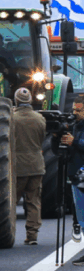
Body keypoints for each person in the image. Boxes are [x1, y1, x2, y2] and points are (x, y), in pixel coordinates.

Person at [12, 87, 46, 246]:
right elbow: (42, 139)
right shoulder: (40, 118)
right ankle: (32, 235)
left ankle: (8, 233)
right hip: (36, 165)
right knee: (34, 201)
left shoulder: (12, 118)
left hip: (18, 166)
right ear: (30, 100)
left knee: (11, 202)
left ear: (16, 100)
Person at [61, 97, 84, 253]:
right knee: (81, 216)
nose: (75, 113)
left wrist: (74, 141)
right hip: (76, 176)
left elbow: (78, 144)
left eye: (79, 110)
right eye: (74, 109)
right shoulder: (76, 126)